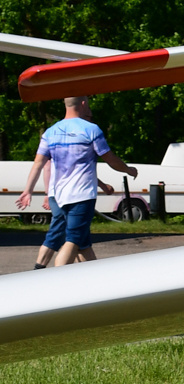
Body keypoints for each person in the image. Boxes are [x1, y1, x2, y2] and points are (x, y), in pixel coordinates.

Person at [16, 96, 138, 268]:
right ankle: (58, 278)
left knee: (82, 243)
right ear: (83, 104)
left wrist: (27, 190)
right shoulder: (91, 129)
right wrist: (128, 170)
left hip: (58, 196)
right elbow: (110, 159)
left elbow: (39, 164)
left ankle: (97, 281)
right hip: (82, 195)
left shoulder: (50, 132)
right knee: (72, 240)